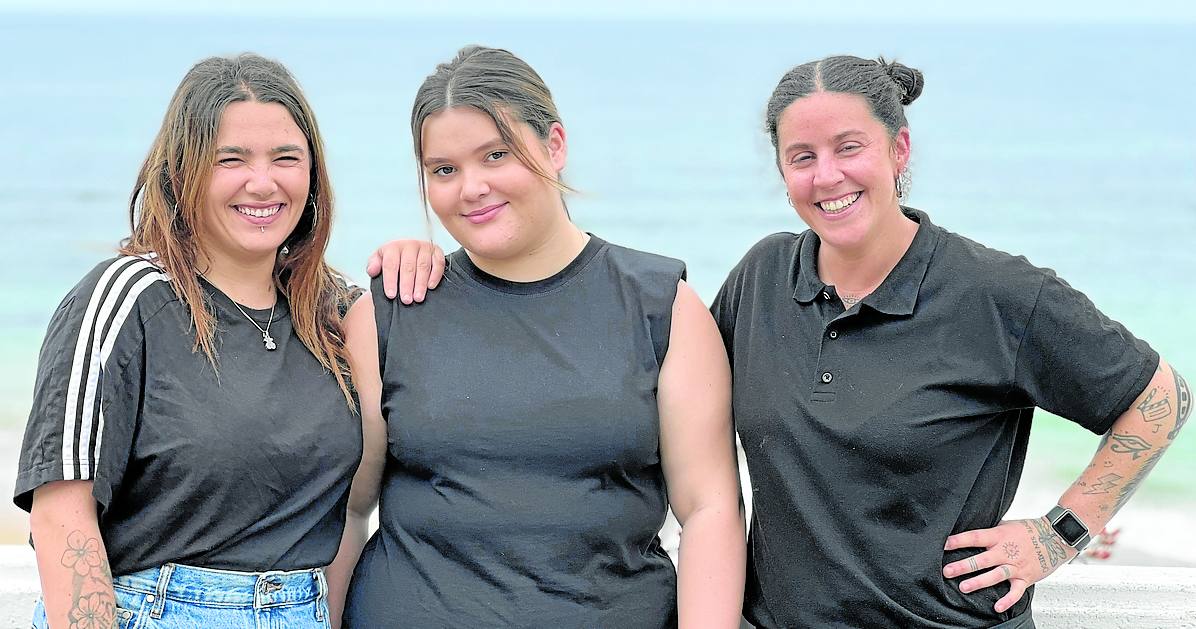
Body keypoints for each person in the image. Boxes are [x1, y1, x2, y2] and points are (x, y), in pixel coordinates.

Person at [372, 55, 1189, 628]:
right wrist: (425, 265)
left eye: (849, 148)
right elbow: (610, 362)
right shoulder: (763, 279)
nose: (827, 176)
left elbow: (1160, 395)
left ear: (899, 151)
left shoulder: (997, 293)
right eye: (801, 157)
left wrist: (1062, 530)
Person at [330, 45, 746, 628]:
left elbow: (709, 510)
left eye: (495, 155)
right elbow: (348, 512)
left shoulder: (661, 306)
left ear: (554, 145)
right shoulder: (392, 309)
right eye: (443, 169)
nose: (471, 187)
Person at [16, 53, 369, 629]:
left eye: (286, 158)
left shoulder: (333, 313)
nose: (263, 181)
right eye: (231, 160)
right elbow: (61, 510)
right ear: (184, 171)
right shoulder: (124, 297)